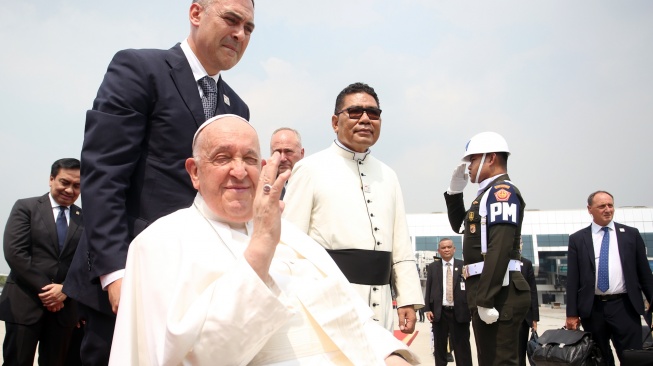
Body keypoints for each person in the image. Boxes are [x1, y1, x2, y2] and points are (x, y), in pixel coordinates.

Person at [108, 114, 419, 365]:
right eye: (222, 157)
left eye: (249, 158)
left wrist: (390, 355)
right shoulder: (159, 243)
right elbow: (193, 356)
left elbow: (349, 315)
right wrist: (261, 247)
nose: (240, 171)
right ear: (195, 172)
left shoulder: (294, 238)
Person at [62, 0, 255, 364]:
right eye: (231, 20)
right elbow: (104, 172)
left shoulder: (237, 109)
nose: (240, 34)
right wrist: (116, 273)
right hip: (132, 277)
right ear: (196, 14)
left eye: (248, 28)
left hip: (201, 289)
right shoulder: (140, 69)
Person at [283, 82, 424, 333]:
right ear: (335, 122)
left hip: (381, 304)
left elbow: (401, 245)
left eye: (374, 113)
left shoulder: (388, 175)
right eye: (356, 112)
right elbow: (290, 245)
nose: (366, 119)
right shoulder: (310, 169)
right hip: (327, 305)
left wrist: (408, 298)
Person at [443, 131, 531, 366]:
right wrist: (454, 193)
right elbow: (459, 225)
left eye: (472, 159)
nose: (468, 167)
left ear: (490, 158)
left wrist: (485, 299)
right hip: (489, 289)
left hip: (500, 292)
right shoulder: (484, 195)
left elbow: (499, 248)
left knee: (499, 361)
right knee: (488, 360)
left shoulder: (502, 193)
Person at [0, 158, 84, 366]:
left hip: (64, 310)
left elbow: (87, 261)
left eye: (77, 186)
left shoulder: (85, 220)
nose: (70, 190)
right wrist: (50, 292)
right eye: (64, 182)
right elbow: (15, 252)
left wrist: (66, 290)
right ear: (51, 179)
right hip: (24, 304)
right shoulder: (25, 207)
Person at [565, 191, 653, 365]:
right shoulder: (578, 239)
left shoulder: (631, 235)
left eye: (610, 205)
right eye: (602, 206)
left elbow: (645, 275)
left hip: (625, 307)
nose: (607, 209)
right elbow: (573, 280)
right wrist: (572, 314)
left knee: (633, 357)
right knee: (599, 358)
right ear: (590, 209)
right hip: (593, 310)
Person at [424, 239, 473, 366]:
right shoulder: (433, 267)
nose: (446, 249)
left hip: (460, 313)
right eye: (443, 248)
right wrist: (428, 309)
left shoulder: (463, 266)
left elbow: (471, 288)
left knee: (463, 348)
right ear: (439, 251)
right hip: (440, 313)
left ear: (454, 249)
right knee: (440, 349)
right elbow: (428, 288)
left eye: (449, 247)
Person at [269, 127, 304, 199]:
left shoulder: (313, 183)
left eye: (288, 152)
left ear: (302, 153)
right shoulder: (262, 188)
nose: (282, 158)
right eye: (277, 152)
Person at [518, 255, 539, 366]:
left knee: (521, 353)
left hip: (524, 318)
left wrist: (535, 318)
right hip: (507, 316)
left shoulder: (526, 264)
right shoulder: (503, 261)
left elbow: (533, 292)